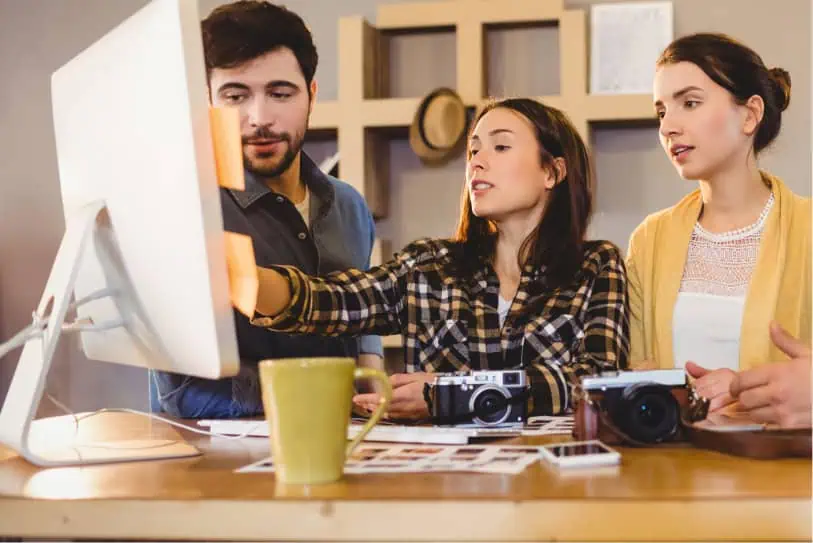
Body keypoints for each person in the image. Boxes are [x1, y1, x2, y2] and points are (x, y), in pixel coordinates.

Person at [235, 97, 631, 420]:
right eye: (474, 149)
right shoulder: (430, 266)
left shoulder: (596, 266)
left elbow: (597, 381)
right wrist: (238, 277)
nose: (477, 161)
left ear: (552, 171)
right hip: (446, 484)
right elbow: (332, 300)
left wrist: (453, 395)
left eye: (501, 146)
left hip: (555, 483)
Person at [153, 1, 383, 418]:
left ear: (310, 96)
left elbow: (363, 323)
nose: (259, 118)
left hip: (349, 446)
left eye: (280, 93)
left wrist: (374, 388)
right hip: (218, 466)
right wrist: (317, 396)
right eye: (235, 95)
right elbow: (180, 390)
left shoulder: (348, 205)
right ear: (207, 102)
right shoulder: (187, 210)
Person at [627, 32, 811, 414]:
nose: (668, 127)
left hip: (786, 466)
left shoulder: (807, 228)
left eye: (689, 103)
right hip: (671, 467)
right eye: (662, 111)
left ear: (750, 115)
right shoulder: (650, 239)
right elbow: (634, 372)